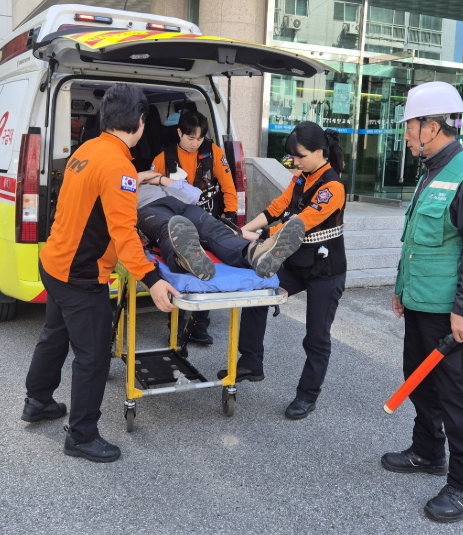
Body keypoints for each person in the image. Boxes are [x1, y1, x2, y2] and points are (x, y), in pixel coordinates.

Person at [22, 84, 180, 464]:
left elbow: (98, 189)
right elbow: (124, 234)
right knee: (93, 356)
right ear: (140, 122)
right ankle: (81, 436)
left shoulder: (87, 150)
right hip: (80, 276)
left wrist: (144, 177)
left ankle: (38, 401)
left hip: (54, 262)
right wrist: (153, 279)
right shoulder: (118, 166)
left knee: (54, 336)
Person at [381, 81, 463, 523]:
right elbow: (416, 239)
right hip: (420, 302)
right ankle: (428, 451)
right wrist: (401, 286)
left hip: (449, 313)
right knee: (418, 380)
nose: (406, 135)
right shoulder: (431, 172)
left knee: (455, 395)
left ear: (431, 127)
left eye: (410, 126)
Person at [217, 122, 347, 420]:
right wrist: (241, 229)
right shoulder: (301, 178)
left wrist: (257, 236)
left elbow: (298, 224)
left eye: (300, 156)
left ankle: (307, 395)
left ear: (319, 152)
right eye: (293, 156)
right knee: (257, 293)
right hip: (297, 263)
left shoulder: (332, 188)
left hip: (326, 271)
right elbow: (276, 208)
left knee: (316, 337)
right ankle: (251, 362)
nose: (295, 161)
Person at [151, 111, 238, 345]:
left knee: (207, 268)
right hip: (176, 222)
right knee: (180, 270)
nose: (195, 143)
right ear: (179, 132)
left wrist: (230, 215)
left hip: (207, 220)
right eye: (190, 138)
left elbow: (229, 186)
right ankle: (177, 328)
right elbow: (151, 191)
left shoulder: (213, 153)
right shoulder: (163, 158)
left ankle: (200, 326)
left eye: (199, 138)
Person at [135, 171, 305, 282]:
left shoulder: (166, 183)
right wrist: (140, 176)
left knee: (215, 228)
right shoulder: (129, 183)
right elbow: (122, 193)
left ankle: (254, 254)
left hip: (184, 205)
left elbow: (194, 194)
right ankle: (184, 259)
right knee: (168, 227)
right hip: (148, 207)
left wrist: (159, 178)